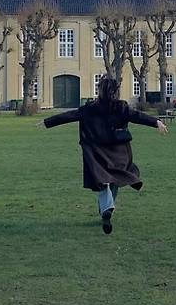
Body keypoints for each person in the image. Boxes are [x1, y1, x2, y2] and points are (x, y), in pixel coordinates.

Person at [37, 76, 168, 234]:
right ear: (116, 91)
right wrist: (156, 122)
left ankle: (106, 208)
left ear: (100, 91)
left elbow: (70, 115)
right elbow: (138, 116)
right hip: (118, 152)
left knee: (102, 180)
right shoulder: (121, 107)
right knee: (116, 177)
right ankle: (106, 209)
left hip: (96, 151)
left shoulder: (90, 108)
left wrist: (48, 122)